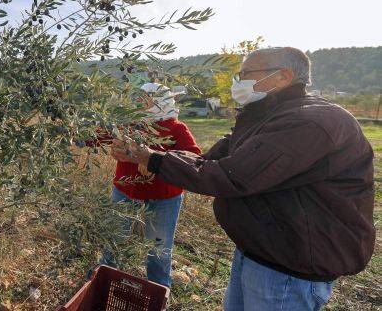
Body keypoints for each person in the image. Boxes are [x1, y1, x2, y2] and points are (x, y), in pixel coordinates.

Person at [110, 47, 375, 310]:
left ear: (283, 76)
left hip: (289, 269)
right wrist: (147, 155)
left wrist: (152, 158)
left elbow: (231, 176)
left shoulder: (308, 122)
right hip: (261, 251)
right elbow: (209, 161)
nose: (239, 81)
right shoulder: (266, 116)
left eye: (247, 73)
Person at [93, 82, 201, 288]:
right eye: (138, 98)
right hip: (124, 192)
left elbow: (194, 158)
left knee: (159, 248)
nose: (139, 103)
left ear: (160, 101)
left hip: (164, 198)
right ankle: (103, 280)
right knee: (114, 238)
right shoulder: (129, 123)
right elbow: (97, 136)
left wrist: (157, 160)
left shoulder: (175, 128)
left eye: (145, 99)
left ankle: (159, 289)